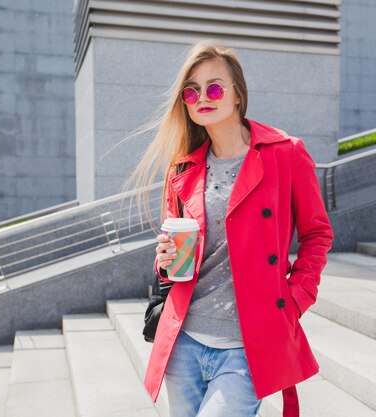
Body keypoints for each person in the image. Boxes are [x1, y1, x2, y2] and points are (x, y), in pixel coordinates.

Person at [127, 40, 334, 417]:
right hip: (184, 342)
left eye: (215, 87)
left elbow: (317, 234)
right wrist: (164, 259)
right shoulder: (182, 169)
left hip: (246, 345)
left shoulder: (285, 153)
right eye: (192, 91)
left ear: (237, 95)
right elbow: (175, 258)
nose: (203, 97)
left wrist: (295, 298)